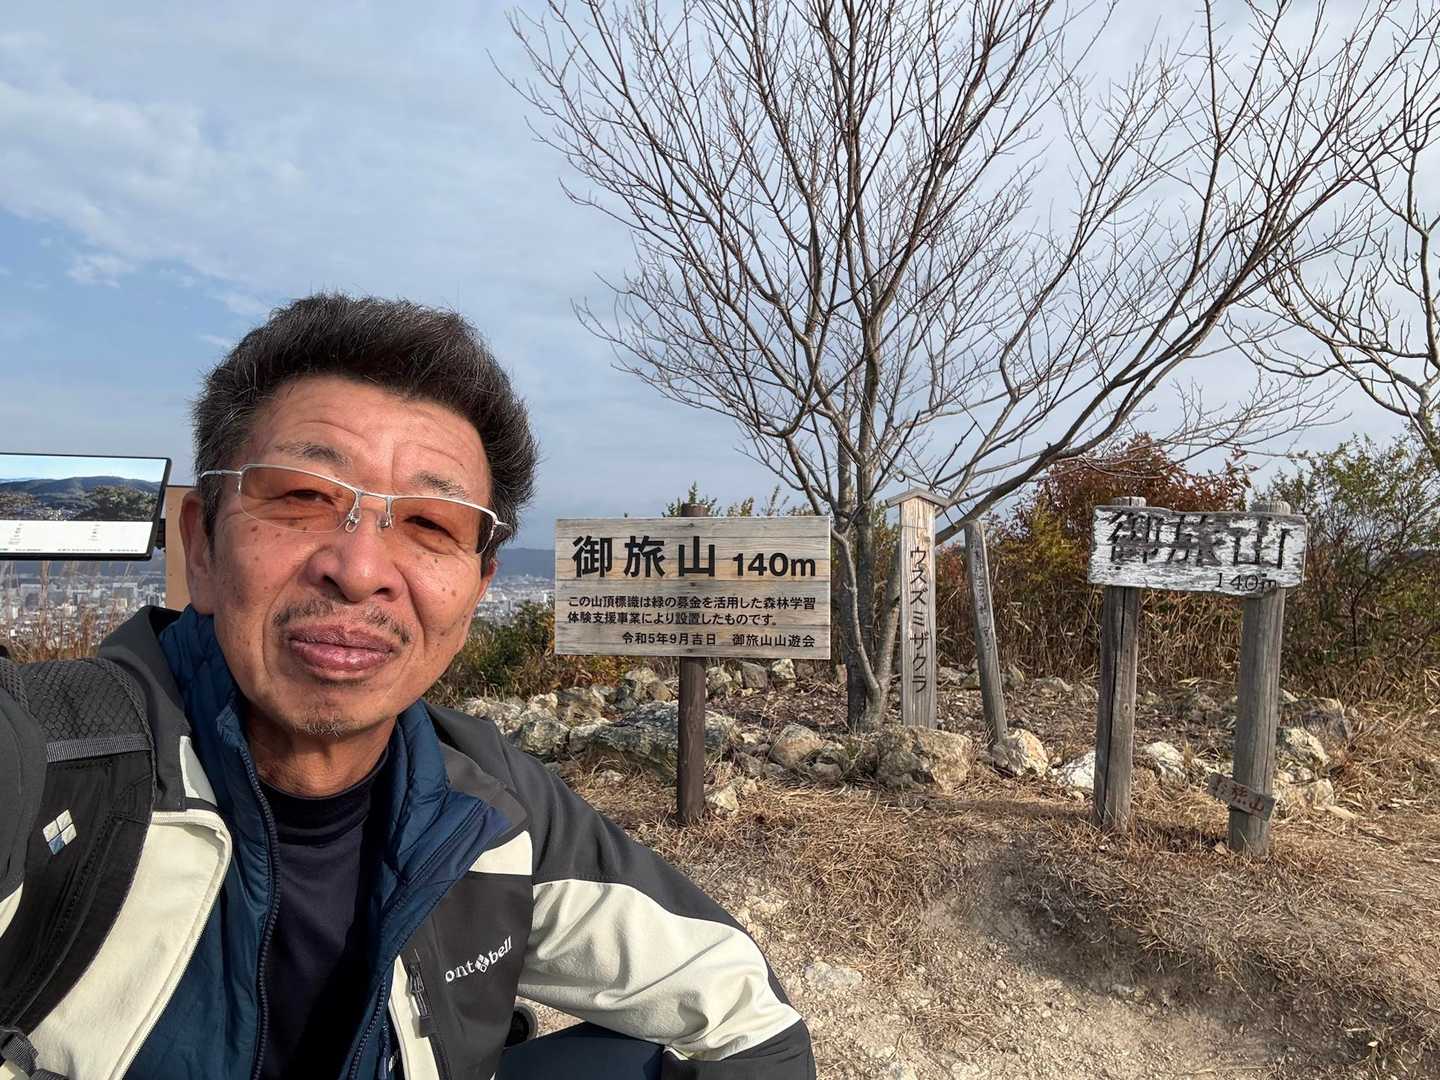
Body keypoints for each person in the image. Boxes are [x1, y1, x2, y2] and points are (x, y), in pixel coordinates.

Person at [0, 294, 815, 1079]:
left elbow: (745, 1010)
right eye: (303, 497)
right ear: (203, 547)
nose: (360, 570)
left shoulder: (482, 804)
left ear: (478, 587)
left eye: (429, 523)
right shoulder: (47, 760)